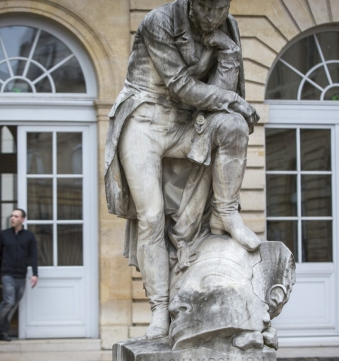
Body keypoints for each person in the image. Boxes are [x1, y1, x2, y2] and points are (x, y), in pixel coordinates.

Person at [104, 0, 262, 340]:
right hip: (144, 119)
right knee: (151, 217)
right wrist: (234, 101)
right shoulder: (158, 21)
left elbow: (222, 92)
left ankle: (226, 212)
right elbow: (180, 85)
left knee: (233, 127)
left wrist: (230, 54)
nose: (213, 18)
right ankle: (161, 308)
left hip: (186, 122)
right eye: (206, 9)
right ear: (191, 4)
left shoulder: (226, 27)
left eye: (220, 9)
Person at [0, 208, 38, 342]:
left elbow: (33, 256)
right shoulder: (4, 235)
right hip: (7, 274)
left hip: (21, 276)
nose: (12, 218)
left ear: (22, 220)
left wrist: (35, 274)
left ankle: (3, 331)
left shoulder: (29, 236)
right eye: (12, 216)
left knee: (13, 305)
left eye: (16, 216)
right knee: (9, 301)